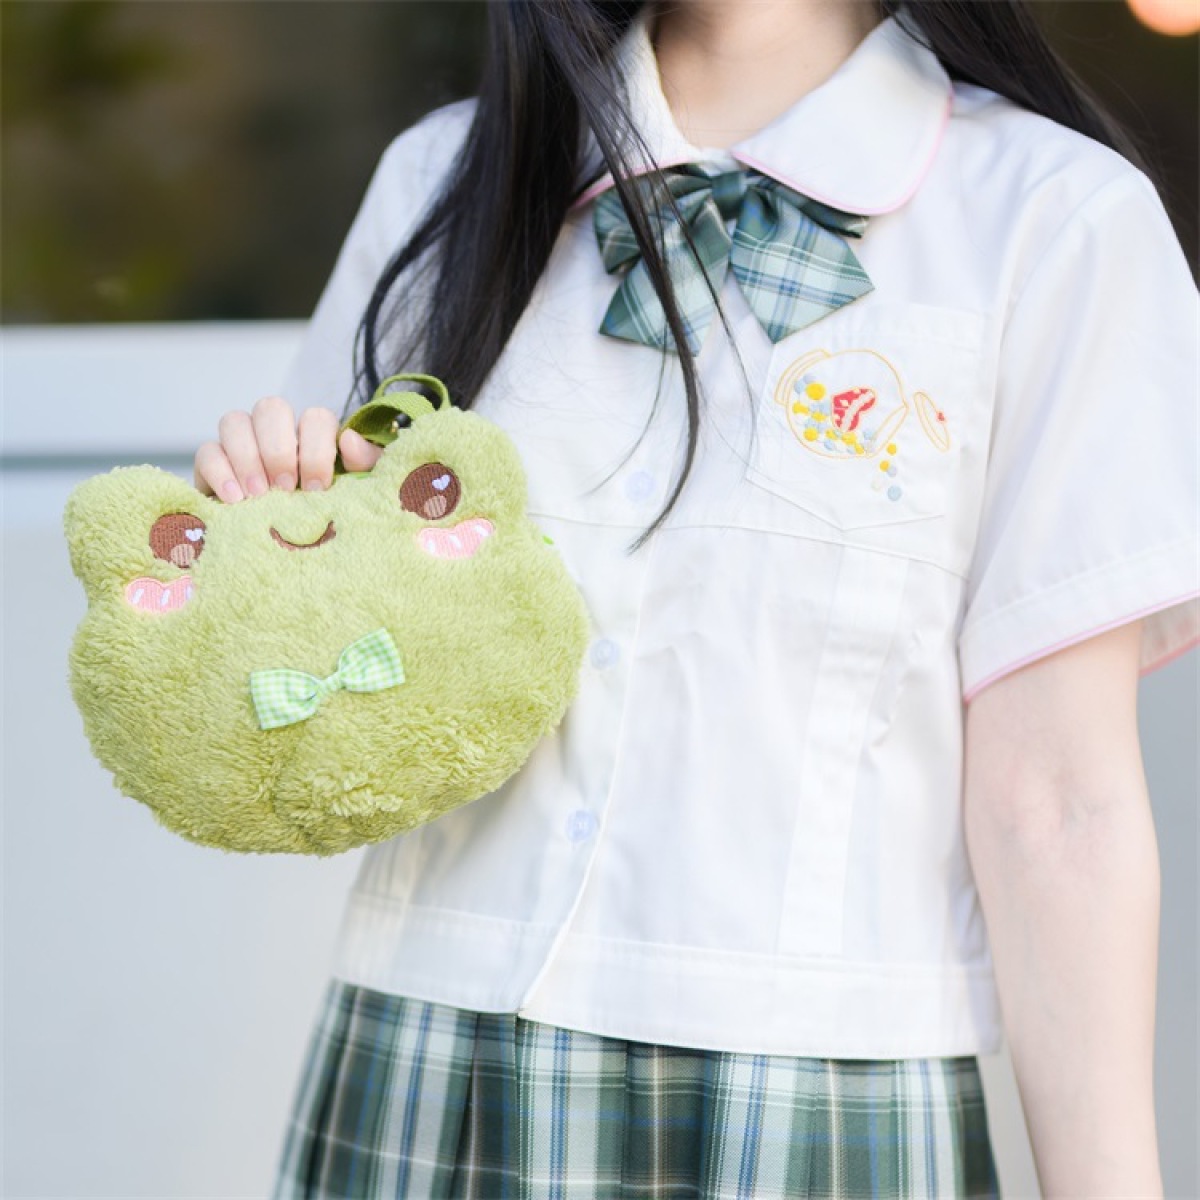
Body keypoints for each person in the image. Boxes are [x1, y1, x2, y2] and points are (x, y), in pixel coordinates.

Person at [194, 1, 1199, 1195]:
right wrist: (271, 559)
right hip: (430, 1060)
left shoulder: (1053, 219)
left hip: (822, 1098)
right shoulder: (446, 180)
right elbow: (317, 725)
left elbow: (1061, 806)